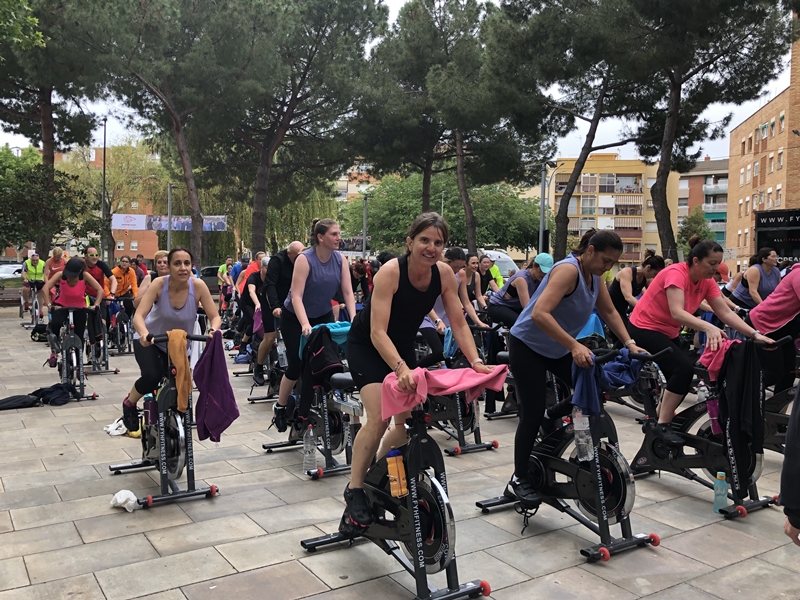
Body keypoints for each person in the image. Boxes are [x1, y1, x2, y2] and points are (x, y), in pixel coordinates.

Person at [344, 213, 493, 526]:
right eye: (424, 240)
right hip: (368, 345)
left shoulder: (444, 274)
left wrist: (476, 362)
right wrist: (400, 368)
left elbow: (458, 323)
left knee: (405, 424)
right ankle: (355, 488)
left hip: (402, 346)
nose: (431, 247)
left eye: (438, 242)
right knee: (379, 417)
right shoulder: (391, 272)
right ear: (410, 243)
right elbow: (377, 332)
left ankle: (376, 477)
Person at [505, 230, 647, 505]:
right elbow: (540, 313)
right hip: (528, 346)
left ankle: (551, 415)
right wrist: (574, 345)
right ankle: (518, 478)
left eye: (613, 263)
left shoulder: (595, 276)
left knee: (593, 387)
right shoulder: (568, 270)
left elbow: (609, 311)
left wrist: (630, 343)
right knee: (531, 413)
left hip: (557, 347)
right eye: (606, 261)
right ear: (590, 251)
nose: (609, 267)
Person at [628, 236, 773, 445]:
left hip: (668, 331)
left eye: (718, 263)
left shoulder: (707, 281)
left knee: (684, 377)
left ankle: (656, 420)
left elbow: (724, 312)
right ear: (696, 261)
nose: (716, 268)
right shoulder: (676, 273)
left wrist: (754, 334)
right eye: (712, 263)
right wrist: (708, 327)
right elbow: (677, 312)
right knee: (683, 370)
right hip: (644, 327)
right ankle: (662, 425)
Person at [120, 248, 221, 431]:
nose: (183, 268)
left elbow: (215, 317)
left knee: (182, 382)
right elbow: (139, 316)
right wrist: (144, 334)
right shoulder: (159, 284)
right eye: (177, 263)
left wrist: (213, 330)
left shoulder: (198, 286)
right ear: (169, 266)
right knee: (152, 376)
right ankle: (130, 402)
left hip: (179, 343)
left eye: (187, 263)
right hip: (151, 340)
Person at [272, 221, 356, 431]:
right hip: (295, 317)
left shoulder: (340, 259)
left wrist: (355, 319)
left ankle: (324, 402)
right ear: (320, 237)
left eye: (339, 233)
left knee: (328, 361)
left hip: (323, 314)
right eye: (334, 234)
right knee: (296, 364)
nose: (339, 238)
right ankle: (280, 406)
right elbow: (297, 296)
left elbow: (347, 292)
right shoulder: (305, 259)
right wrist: (304, 324)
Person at [256, 241, 304, 386]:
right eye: (296, 256)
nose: (299, 259)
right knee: (270, 337)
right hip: (271, 300)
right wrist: (275, 306)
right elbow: (270, 285)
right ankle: (259, 367)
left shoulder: (302, 261)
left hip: (291, 301)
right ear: (289, 253)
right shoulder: (277, 261)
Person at [747, 266, 800, 393]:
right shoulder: (798, 274)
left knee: (789, 373)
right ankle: (743, 399)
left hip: (785, 329)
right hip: (764, 324)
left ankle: (777, 404)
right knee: (772, 373)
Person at [42, 257, 105, 365]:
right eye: (68, 274)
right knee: (55, 323)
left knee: (79, 335)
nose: (69, 277)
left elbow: (100, 290)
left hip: (79, 307)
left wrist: (96, 305)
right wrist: (49, 305)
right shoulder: (60, 275)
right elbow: (45, 288)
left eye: (72, 275)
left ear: (80, 271)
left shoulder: (85, 276)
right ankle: (54, 351)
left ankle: (78, 362)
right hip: (62, 306)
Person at [487, 253, 552, 328]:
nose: (544, 274)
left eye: (547, 272)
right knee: (521, 324)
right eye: (542, 271)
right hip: (498, 306)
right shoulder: (522, 279)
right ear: (534, 266)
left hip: (514, 308)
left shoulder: (539, 279)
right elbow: (527, 306)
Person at [607, 250, 665, 327]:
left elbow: (650, 295)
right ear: (648, 267)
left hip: (622, 309)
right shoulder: (627, 272)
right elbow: (628, 297)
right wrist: (646, 310)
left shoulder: (646, 278)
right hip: (610, 309)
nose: (654, 277)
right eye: (655, 274)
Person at [237, 257, 269, 359]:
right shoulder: (253, 277)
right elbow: (252, 291)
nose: (269, 271)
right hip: (248, 303)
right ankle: (243, 344)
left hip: (262, 303)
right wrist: (257, 304)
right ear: (262, 267)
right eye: (267, 268)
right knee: (255, 321)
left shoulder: (271, 278)